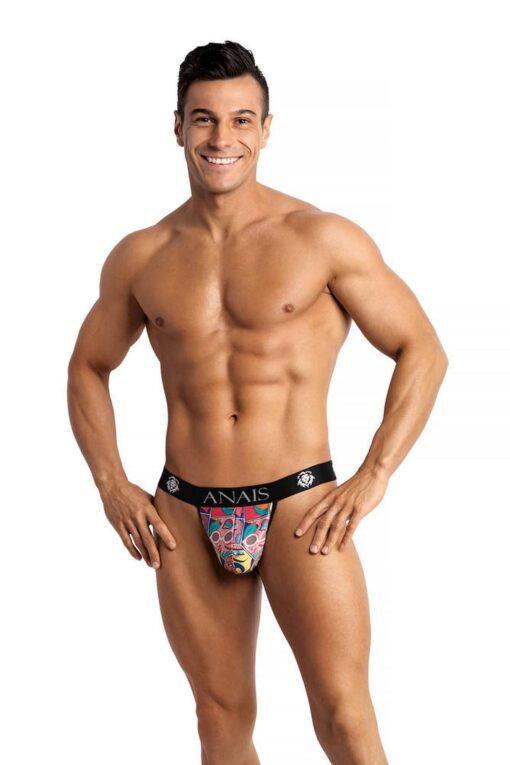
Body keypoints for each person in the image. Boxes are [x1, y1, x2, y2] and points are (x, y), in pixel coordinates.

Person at [67, 40, 448, 765]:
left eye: (242, 119)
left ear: (266, 130)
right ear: (177, 127)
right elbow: (87, 365)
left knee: (343, 717)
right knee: (220, 721)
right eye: (204, 119)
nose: (223, 138)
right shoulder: (142, 255)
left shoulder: (322, 237)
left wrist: (375, 474)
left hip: (301, 505)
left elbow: (422, 348)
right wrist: (111, 483)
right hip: (185, 512)